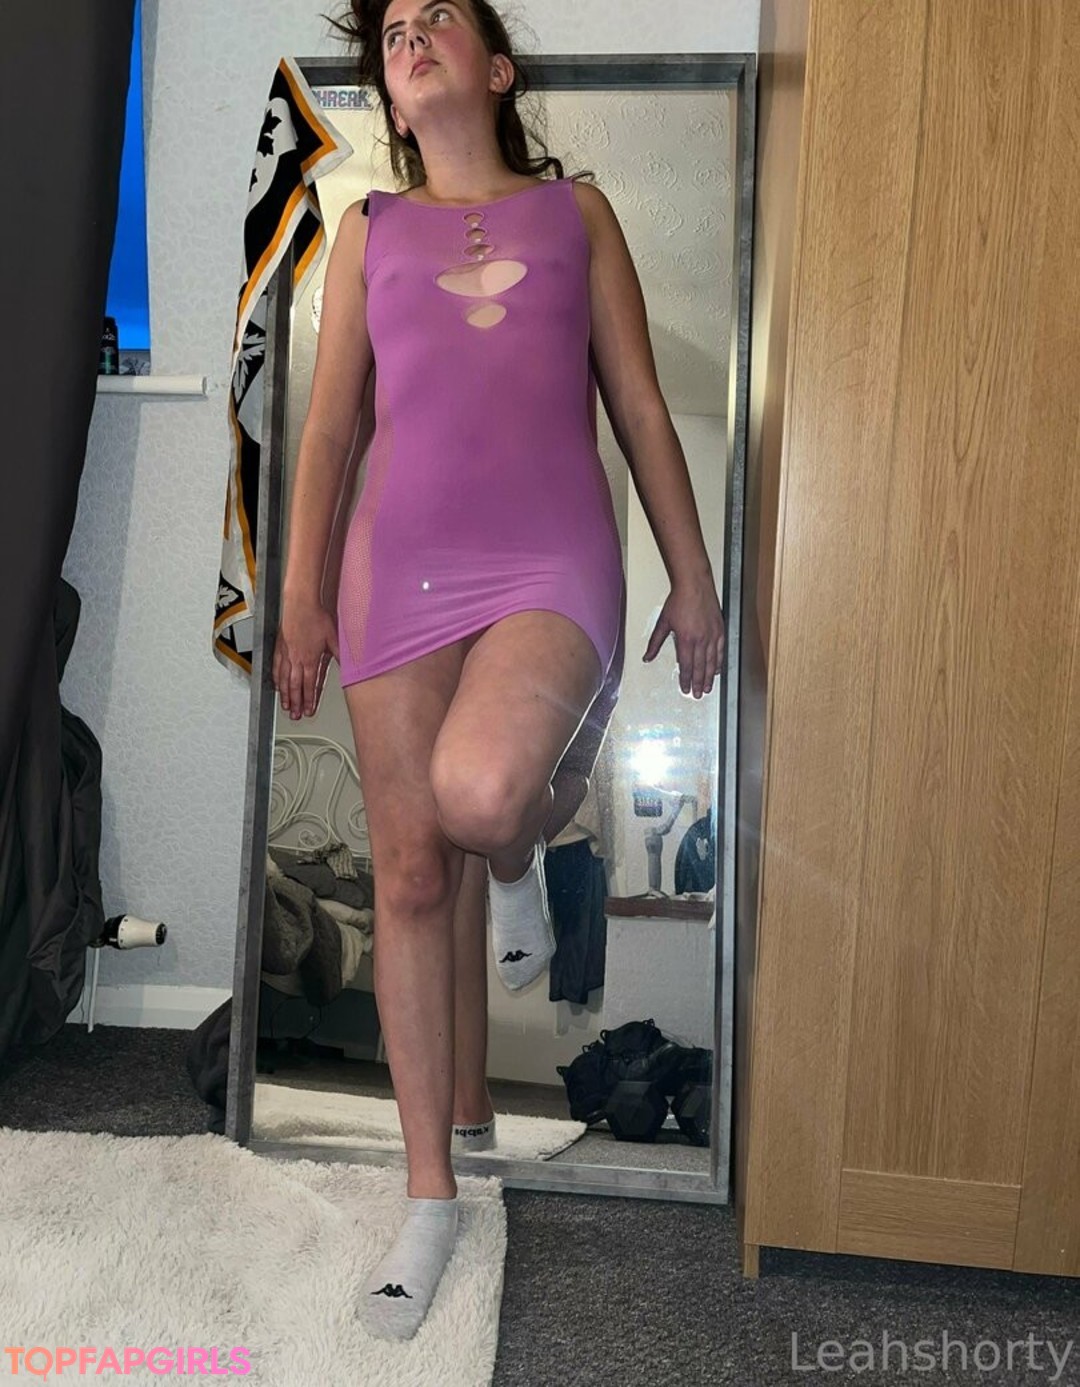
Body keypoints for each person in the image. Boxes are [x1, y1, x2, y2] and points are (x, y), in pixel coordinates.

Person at [271, 0, 725, 1342]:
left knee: (479, 796)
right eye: (392, 30)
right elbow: (331, 431)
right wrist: (299, 592)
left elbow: (638, 404)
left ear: (497, 64)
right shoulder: (369, 232)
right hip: (397, 567)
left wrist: (693, 576)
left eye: (438, 19)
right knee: (411, 875)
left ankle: (521, 854)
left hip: (548, 560)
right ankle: (430, 1196)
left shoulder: (577, 214)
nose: (410, 36)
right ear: (389, 83)